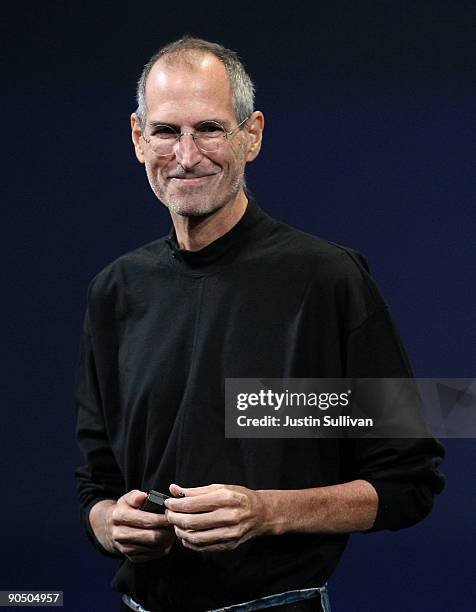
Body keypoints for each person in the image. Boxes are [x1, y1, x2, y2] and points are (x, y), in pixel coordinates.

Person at [75, 37, 445, 612]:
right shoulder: (115, 291)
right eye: (168, 131)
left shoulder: (328, 278)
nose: (188, 155)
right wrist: (110, 524)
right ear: (138, 138)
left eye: (211, 129)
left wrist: (268, 512)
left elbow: (410, 483)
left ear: (253, 135)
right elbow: (95, 487)